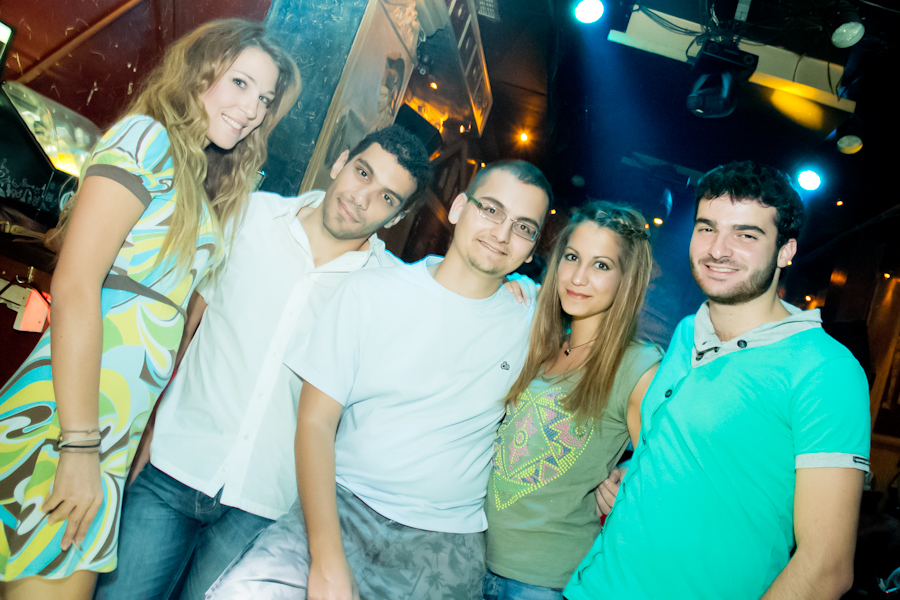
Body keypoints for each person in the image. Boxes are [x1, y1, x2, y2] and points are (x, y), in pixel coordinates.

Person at [0, 19, 300, 600]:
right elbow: (77, 285)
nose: (252, 110)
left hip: (109, 434)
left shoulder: (200, 178)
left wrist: (132, 440)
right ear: (199, 73)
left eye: (265, 99)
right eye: (240, 83)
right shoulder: (147, 139)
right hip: (66, 422)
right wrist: (80, 444)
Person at [93, 125, 434, 600]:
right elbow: (185, 328)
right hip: (173, 464)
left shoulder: (389, 291)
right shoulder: (250, 215)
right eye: (362, 173)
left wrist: (520, 289)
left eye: (386, 198)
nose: (362, 198)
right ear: (339, 162)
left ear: (398, 217)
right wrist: (145, 429)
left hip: (266, 506)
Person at [204, 160, 553, 600]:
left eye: (523, 227)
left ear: (532, 247)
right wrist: (327, 560)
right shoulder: (372, 291)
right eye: (492, 210)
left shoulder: (533, 323)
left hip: (446, 538)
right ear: (459, 208)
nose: (502, 234)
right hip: (342, 503)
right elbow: (315, 422)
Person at [566, 161, 871, 600]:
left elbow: (826, 569)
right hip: (593, 586)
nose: (718, 249)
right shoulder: (689, 329)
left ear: (785, 251)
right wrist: (631, 473)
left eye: (746, 235)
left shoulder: (825, 369)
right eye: (707, 228)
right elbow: (704, 455)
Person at [482, 202, 663, 600]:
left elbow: (664, 477)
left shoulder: (637, 367)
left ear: (626, 279)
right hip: (473, 555)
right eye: (572, 257)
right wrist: (511, 287)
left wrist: (626, 473)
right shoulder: (541, 342)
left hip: (543, 583)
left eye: (601, 265)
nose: (578, 277)